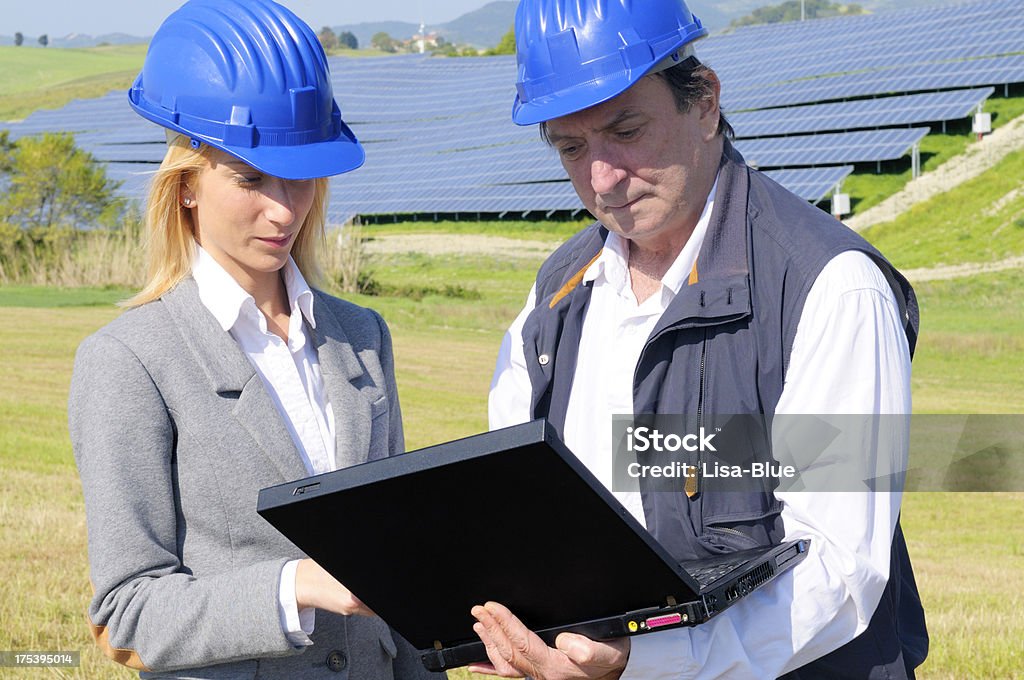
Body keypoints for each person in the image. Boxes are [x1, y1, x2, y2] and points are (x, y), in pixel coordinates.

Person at [481, 0, 928, 678]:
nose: (602, 177)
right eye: (571, 148)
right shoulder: (555, 300)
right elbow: (518, 513)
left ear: (706, 102)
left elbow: (838, 571)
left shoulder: (830, 287)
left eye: (625, 129)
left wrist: (645, 662)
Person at [67, 1, 440, 677]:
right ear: (185, 186)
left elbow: (399, 567)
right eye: (250, 179)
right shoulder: (129, 361)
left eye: (299, 177)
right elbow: (126, 613)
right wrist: (294, 587)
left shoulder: (362, 337)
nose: (284, 208)